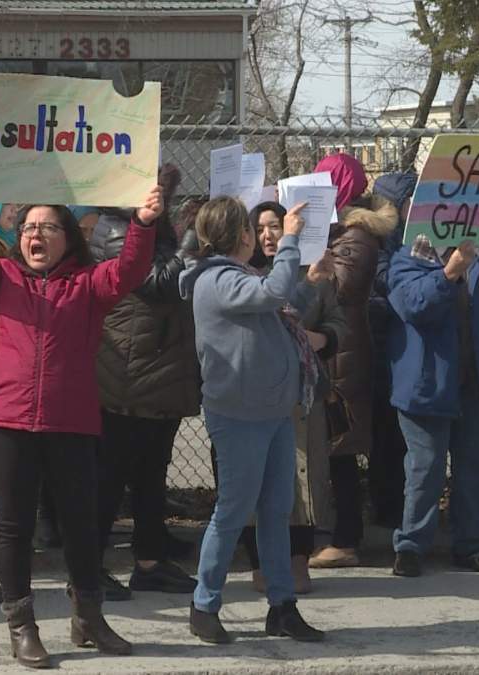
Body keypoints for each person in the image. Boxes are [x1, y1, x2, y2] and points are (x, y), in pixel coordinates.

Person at [0, 162, 162, 668]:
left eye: (48, 227)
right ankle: (22, 626)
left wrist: (142, 223)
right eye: (29, 226)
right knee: (13, 528)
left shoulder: (90, 286)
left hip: (70, 423)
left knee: (80, 524)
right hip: (6, 424)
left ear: (67, 239)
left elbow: (131, 271)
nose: (36, 234)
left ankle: (88, 618)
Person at [180, 196, 327, 645]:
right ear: (241, 235)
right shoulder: (217, 279)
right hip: (239, 415)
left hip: (273, 412)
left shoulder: (239, 276)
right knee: (233, 510)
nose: (255, 235)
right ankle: (204, 606)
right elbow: (271, 294)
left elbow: (273, 302)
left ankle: (281, 607)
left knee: (275, 510)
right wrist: (290, 239)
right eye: (251, 229)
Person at [387, 234, 479, 577]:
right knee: (426, 468)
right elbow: (413, 306)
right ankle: (410, 546)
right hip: (426, 384)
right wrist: (449, 273)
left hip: (476, 382)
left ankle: (471, 545)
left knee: (475, 469)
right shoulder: (408, 257)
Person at [91, 163, 199, 599]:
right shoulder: (116, 228)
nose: (162, 198)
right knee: (109, 476)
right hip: (130, 372)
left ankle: (150, 560)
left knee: (150, 473)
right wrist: (192, 238)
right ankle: (89, 565)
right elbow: (158, 283)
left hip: (157, 369)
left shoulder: (147, 223)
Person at [239, 201, 346, 594]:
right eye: (261, 227)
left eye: (276, 226)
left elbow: (338, 321)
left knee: (302, 478)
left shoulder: (311, 269)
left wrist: (325, 338)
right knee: (256, 481)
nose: (268, 235)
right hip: (255, 392)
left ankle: (298, 559)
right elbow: (278, 312)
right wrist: (310, 287)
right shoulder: (243, 275)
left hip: (302, 392)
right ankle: (260, 563)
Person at [312, 155, 398, 569]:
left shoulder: (357, 236)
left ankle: (346, 538)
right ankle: (334, 531)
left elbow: (339, 287)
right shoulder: (338, 232)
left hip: (343, 354)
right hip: (333, 350)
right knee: (329, 445)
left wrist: (311, 253)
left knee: (340, 445)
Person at [366, 171, 417, 529]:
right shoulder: (378, 241)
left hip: (402, 347)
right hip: (385, 348)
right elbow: (387, 285)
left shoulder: (406, 237)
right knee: (387, 434)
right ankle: (387, 507)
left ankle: (393, 505)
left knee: (397, 436)